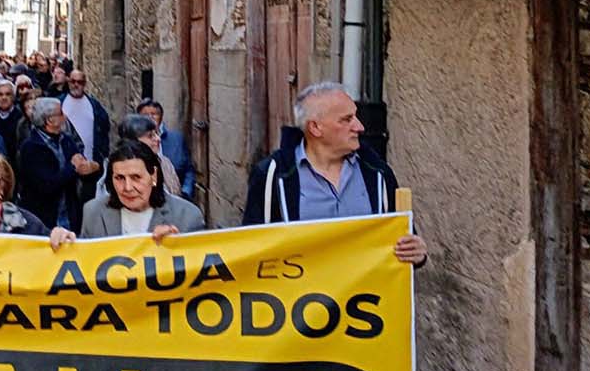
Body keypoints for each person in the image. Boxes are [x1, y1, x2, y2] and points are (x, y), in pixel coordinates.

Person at [242, 82, 428, 266]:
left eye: (356, 116)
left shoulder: (377, 172)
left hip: (367, 286)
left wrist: (417, 253)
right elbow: (252, 251)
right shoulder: (273, 175)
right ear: (315, 128)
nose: (360, 127)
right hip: (300, 285)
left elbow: (404, 241)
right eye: (347, 119)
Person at [81, 141, 206, 240]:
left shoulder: (187, 216)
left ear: (154, 176)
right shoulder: (93, 212)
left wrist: (177, 246)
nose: (128, 187)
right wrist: (69, 247)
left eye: (136, 177)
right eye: (119, 178)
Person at [16, 97, 90, 231]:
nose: (65, 116)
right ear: (49, 120)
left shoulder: (66, 140)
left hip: (69, 214)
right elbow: (46, 185)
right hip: (44, 219)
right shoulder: (31, 148)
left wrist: (91, 168)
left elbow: (81, 162)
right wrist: (72, 167)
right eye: (60, 113)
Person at [96, 114, 181, 199]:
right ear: (133, 140)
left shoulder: (165, 162)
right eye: (150, 136)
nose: (158, 139)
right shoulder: (116, 166)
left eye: (156, 133)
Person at [59, 69, 109, 199]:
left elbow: (104, 131)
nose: (76, 85)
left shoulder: (94, 105)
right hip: (67, 167)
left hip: (91, 165)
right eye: (73, 81)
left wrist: (101, 158)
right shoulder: (59, 104)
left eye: (80, 82)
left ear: (84, 83)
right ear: (68, 82)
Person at [140, 99, 195, 201]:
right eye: (145, 115)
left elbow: (188, 170)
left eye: (154, 114)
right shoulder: (135, 144)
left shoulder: (176, 139)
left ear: (161, 117)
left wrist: (186, 192)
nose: (150, 118)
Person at [0, 79, 28, 163]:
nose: (4, 98)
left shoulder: (21, 117)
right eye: (0, 94)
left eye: (8, 94)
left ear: (13, 96)